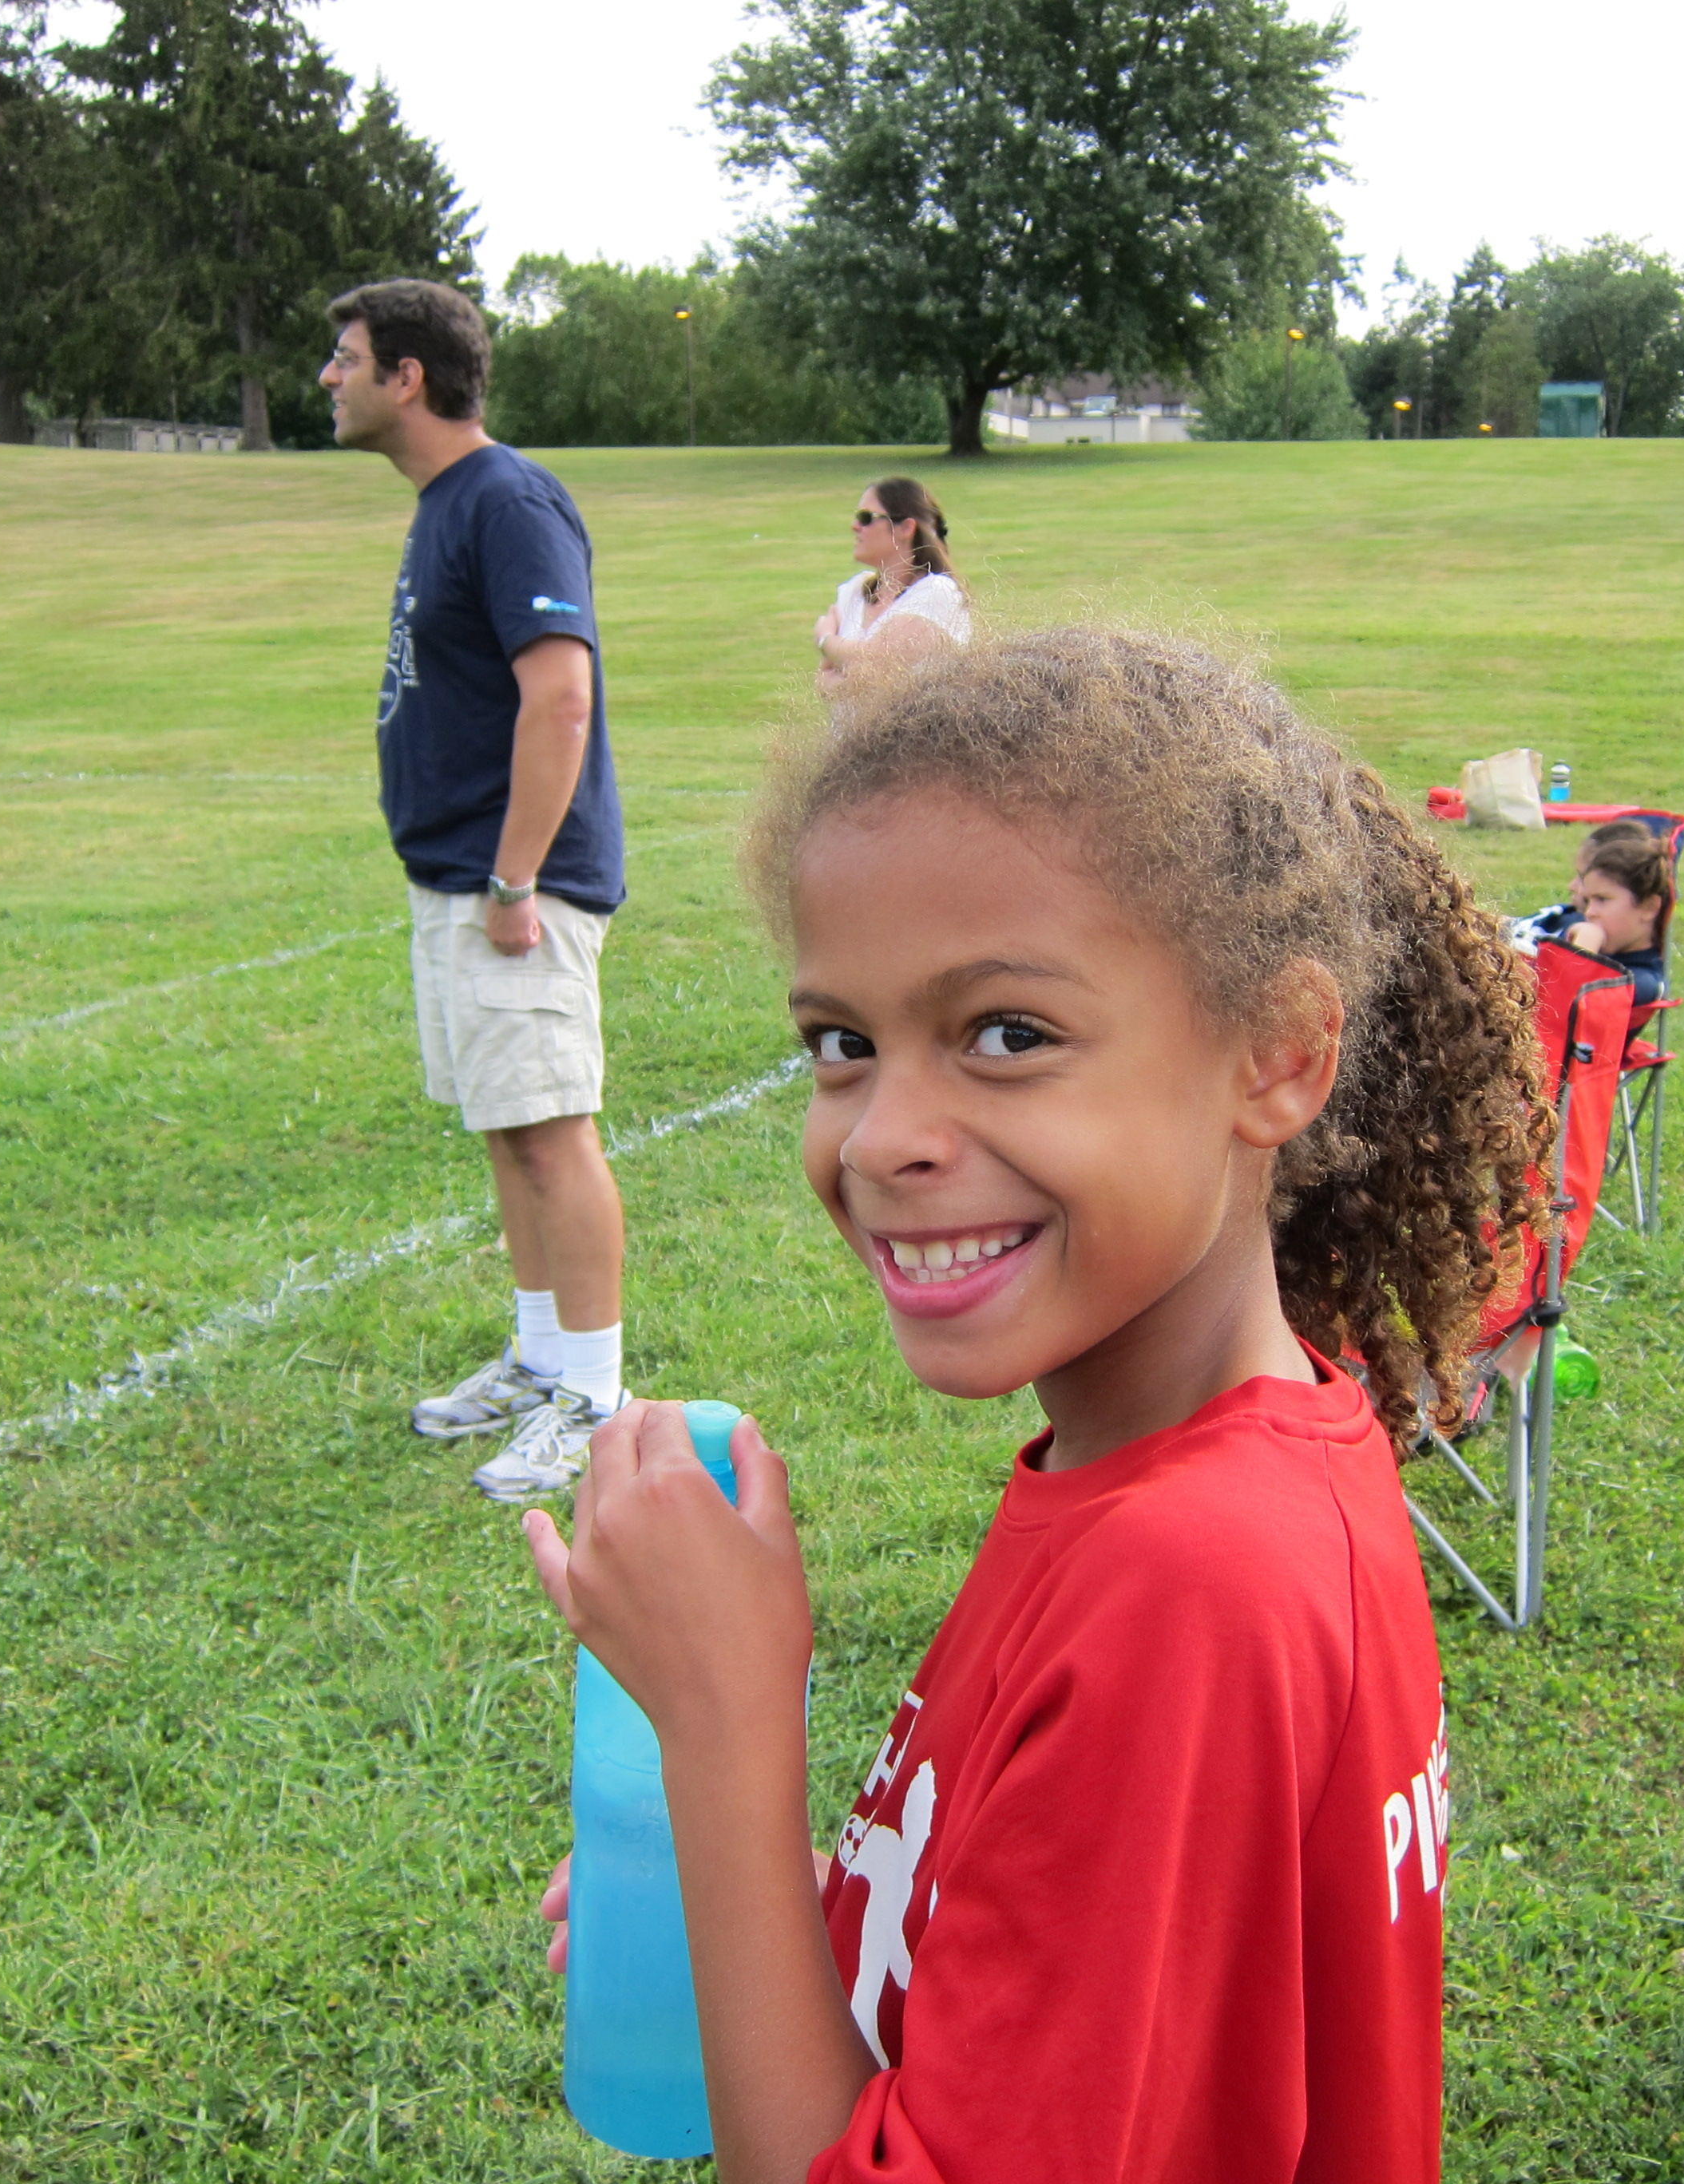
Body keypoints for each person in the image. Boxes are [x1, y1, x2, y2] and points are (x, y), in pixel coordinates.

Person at [519, 630, 1556, 2181]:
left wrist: (723, 1744)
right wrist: (785, 1910)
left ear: (1277, 1056)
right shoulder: (1189, 1468)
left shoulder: (1191, 1583)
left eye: (1007, 1034)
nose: (882, 1136)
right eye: (842, 1045)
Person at [319, 278, 632, 1503]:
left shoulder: (507, 500)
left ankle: (594, 1399)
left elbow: (561, 696)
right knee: (508, 1127)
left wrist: (516, 875)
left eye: (348, 358)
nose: (329, 378)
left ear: (408, 377)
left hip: (517, 882)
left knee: (553, 1129)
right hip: (458, 873)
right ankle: (542, 1357)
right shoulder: (444, 504)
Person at [812, 477, 969, 694]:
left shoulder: (936, 592)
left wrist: (826, 640)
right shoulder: (854, 591)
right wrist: (854, 677)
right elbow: (824, 682)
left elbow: (879, 665)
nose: (854, 526)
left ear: (906, 528)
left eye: (866, 518)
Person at [1513, 819, 1670, 1003]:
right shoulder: (1576, 924)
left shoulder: (1643, 981)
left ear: (1648, 907)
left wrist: (1583, 951)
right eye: (1588, 901)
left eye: (1602, 899)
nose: (1589, 912)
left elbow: (1565, 1003)